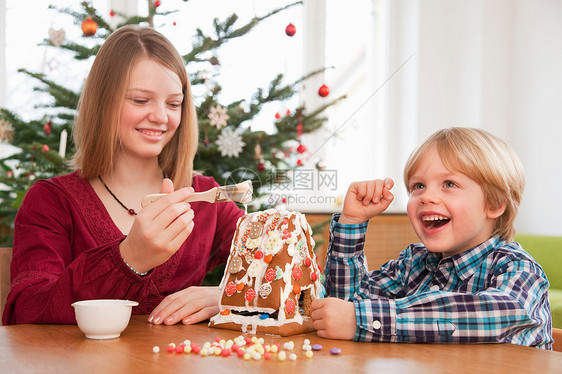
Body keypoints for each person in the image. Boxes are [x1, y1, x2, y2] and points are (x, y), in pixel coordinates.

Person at [2, 26, 244, 326]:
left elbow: (283, 268)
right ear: (104, 102)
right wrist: (130, 258)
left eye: (173, 103)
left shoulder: (207, 197)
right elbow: (27, 311)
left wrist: (225, 297)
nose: (160, 116)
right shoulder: (51, 202)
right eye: (141, 100)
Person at [311, 127, 552, 349]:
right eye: (418, 186)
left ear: (494, 204)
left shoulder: (519, 269)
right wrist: (352, 222)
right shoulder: (412, 264)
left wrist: (363, 319)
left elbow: (493, 315)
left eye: (449, 183)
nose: (427, 197)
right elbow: (343, 307)